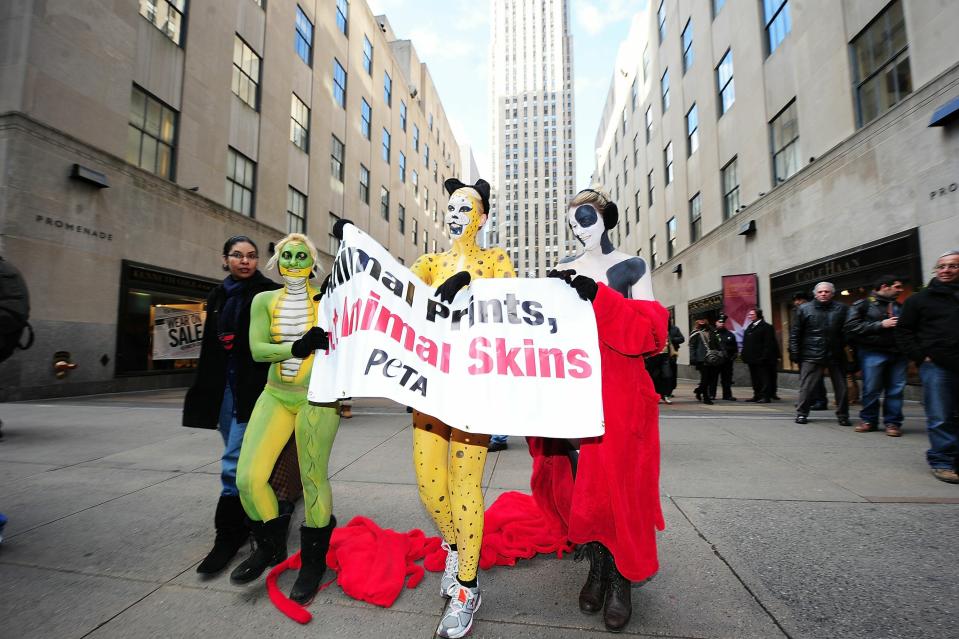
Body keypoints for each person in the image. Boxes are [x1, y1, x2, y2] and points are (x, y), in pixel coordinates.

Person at [540, 187, 664, 633]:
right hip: (576, 389)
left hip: (623, 388)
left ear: (606, 216)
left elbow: (651, 335)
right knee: (583, 484)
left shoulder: (633, 266)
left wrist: (601, 296)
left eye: (586, 218)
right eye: (572, 222)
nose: (579, 228)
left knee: (622, 487)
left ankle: (620, 581)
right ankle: (597, 566)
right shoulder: (562, 271)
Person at [409, 178, 515, 638]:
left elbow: (513, 310)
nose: (456, 213)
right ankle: (455, 545)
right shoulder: (428, 262)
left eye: (466, 207)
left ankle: (467, 588)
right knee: (431, 488)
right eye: (451, 206)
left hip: (476, 391)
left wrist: (471, 283)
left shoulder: (496, 261)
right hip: (431, 392)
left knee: (465, 485)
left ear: (483, 216)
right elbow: (396, 299)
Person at [233, 233, 341, 606]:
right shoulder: (263, 300)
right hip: (275, 394)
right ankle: (270, 545)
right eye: (287, 256)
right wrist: (295, 347)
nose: (294, 262)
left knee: (312, 478)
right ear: (277, 263)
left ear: (313, 263)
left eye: (302, 256)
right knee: (248, 478)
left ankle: (313, 562)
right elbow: (257, 349)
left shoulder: (326, 299)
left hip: (318, 399)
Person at [183, 236, 296, 577]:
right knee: (245, 461)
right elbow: (211, 348)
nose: (244, 261)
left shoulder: (271, 293)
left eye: (250, 256)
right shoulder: (218, 295)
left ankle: (229, 537)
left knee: (235, 464)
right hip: (223, 389)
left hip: (256, 389)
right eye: (237, 255)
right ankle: (254, 522)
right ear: (225, 258)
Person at [896, 250, 959, 483]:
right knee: (940, 415)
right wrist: (921, 356)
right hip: (937, 365)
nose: (946, 270)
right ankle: (942, 461)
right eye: (942, 266)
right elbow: (903, 331)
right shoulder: (919, 300)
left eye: (952, 266)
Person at [844, 275, 906, 436]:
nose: (900, 290)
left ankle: (892, 423)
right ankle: (868, 420)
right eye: (897, 287)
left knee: (896, 390)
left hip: (898, 353)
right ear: (885, 286)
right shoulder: (863, 305)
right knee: (871, 389)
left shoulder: (900, 307)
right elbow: (851, 326)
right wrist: (881, 325)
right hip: (873, 352)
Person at [789, 282, 851, 425]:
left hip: (835, 353)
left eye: (827, 291)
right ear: (815, 294)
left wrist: (843, 345)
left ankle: (843, 415)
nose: (823, 294)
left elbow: (848, 330)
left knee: (841, 387)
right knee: (806, 386)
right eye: (821, 291)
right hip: (811, 353)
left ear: (832, 293)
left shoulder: (842, 309)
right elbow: (795, 333)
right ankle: (802, 413)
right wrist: (795, 352)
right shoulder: (804, 309)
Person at [792, 292, 825, 408]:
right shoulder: (798, 312)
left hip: (814, 349)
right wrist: (794, 350)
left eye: (800, 299)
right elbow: (795, 333)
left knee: (816, 378)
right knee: (806, 378)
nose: (797, 302)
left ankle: (820, 400)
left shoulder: (812, 311)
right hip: (804, 350)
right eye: (796, 300)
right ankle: (809, 399)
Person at [741, 308, 778, 403]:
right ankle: (757, 395)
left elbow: (769, 344)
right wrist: (744, 355)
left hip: (762, 359)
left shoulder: (766, 327)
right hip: (751, 359)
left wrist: (764, 356)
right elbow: (746, 343)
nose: (750, 316)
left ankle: (765, 396)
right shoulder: (750, 327)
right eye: (749, 315)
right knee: (755, 378)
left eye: (752, 314)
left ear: (758, 315)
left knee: (764, 378)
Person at [689, 317, 721, 405]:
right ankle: (706, 397)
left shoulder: (712, 331)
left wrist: (720, 353)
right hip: (701, 359)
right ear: (697, 321)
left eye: (703, 319)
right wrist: (693, 358)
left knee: (710, 379)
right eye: (699, 320)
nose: (702, 321)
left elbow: (717, 343)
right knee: (705, 378)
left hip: (712, 358)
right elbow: (692, 346)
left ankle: (699, 391)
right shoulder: (695, 332)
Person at [711, 315, 739, 401]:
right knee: (713, 379)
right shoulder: (712, 334)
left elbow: (735, 348)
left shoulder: (729, 334)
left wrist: (732, 357)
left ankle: (727, 395)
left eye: (723, 322)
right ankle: (712, 394)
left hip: (727, 361)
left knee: (727, 379)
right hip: (716, 360)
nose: (721, 324)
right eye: (719, 322)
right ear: (716, 323)